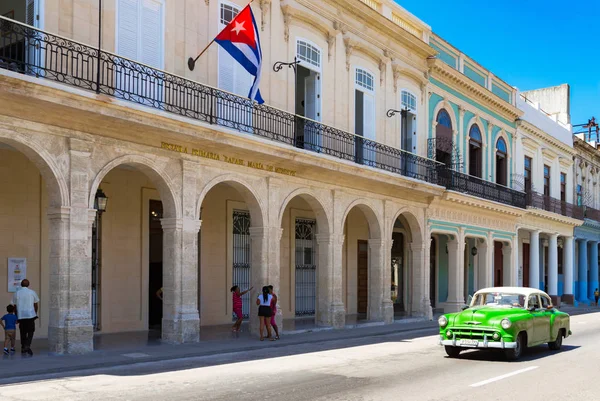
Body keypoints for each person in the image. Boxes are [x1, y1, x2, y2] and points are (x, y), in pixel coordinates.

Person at [11, 279, 39, 356]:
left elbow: (14, 306)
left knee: (22, 332)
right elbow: (36, 305)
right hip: (30, 315)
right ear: (28, 284)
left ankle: (24, 347)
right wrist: (35, 313)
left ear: (21, 285)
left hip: (21, 316)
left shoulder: (16, 293)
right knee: (30, 331)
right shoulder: (32, 292)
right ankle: (27, 346)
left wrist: (16, 316)